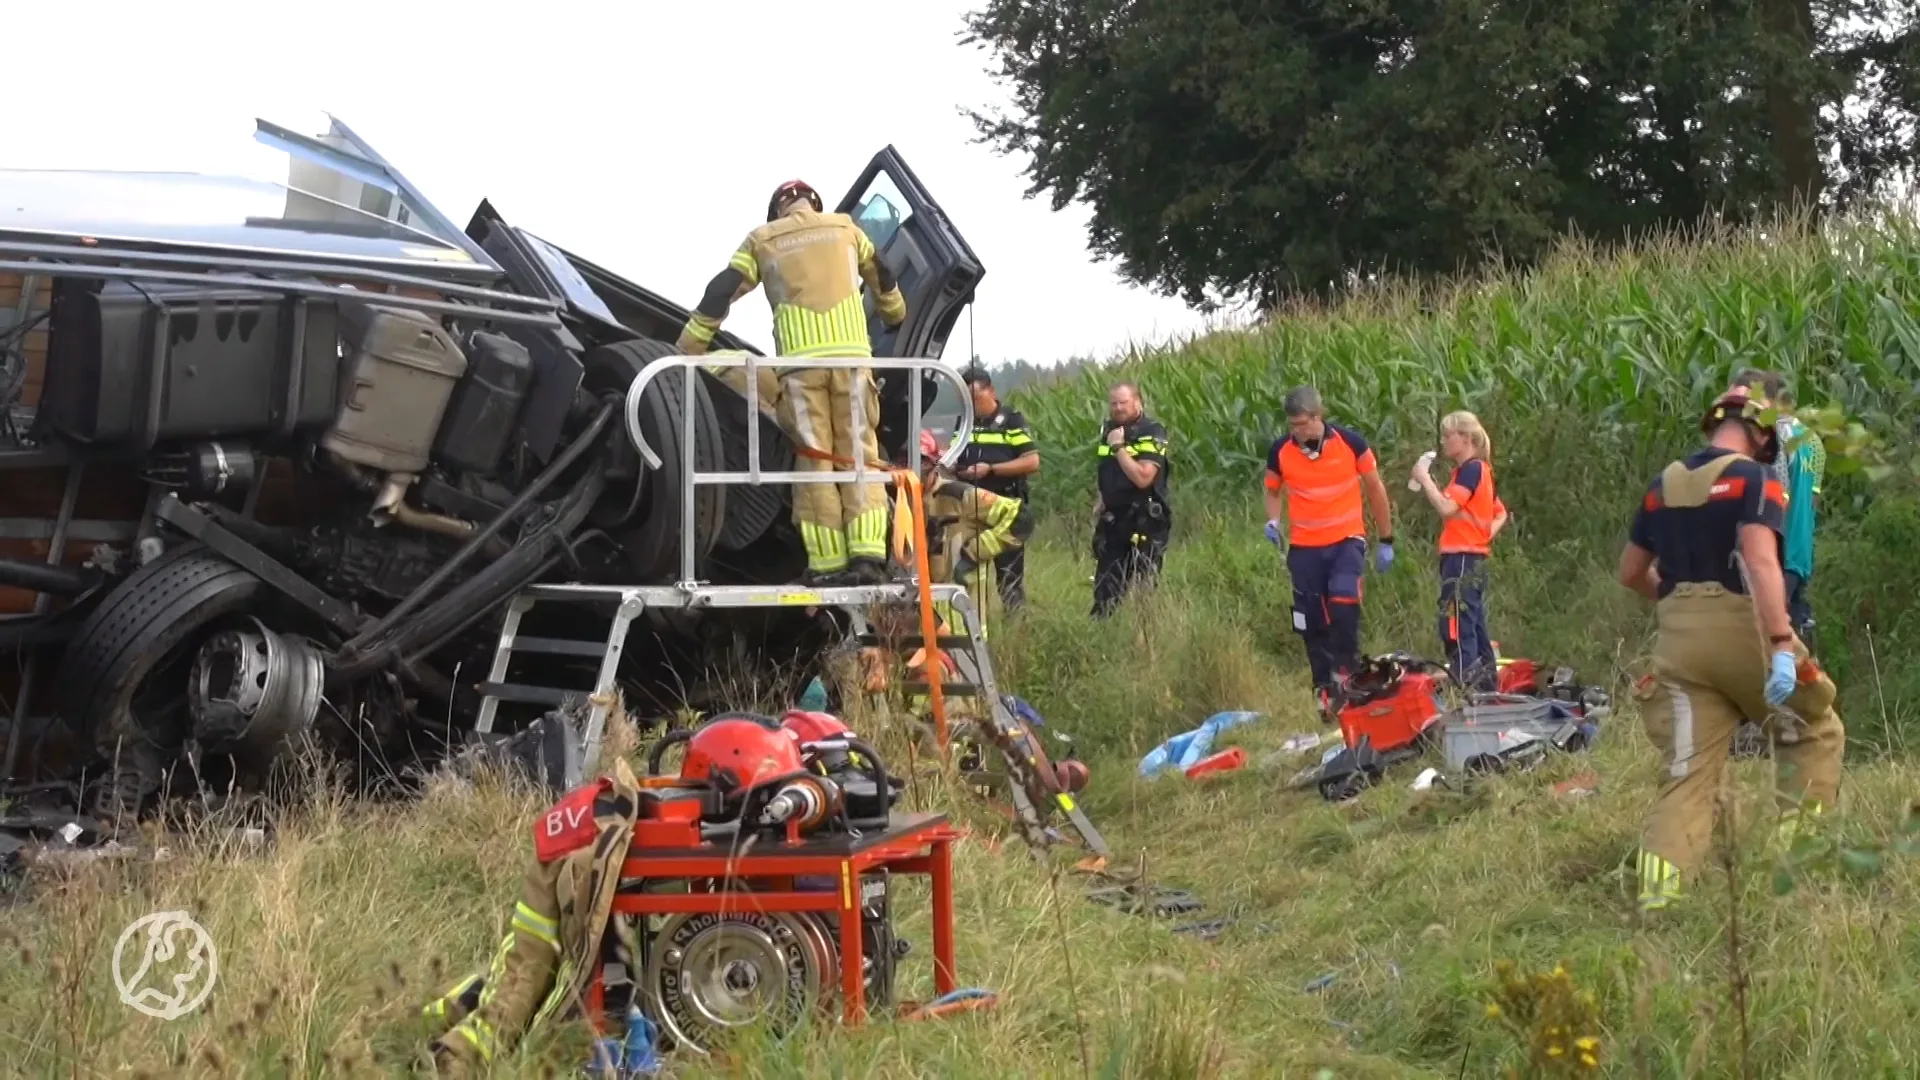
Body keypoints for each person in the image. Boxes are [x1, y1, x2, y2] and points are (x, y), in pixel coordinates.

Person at [1614, 384, 1845, 912]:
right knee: (1816, 730)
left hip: (1677, 640)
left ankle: (1658, 898)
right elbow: (1762, 563)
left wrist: (1678, 604)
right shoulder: (1754, 479)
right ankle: (1794, 870)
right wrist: (1782, 643)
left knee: (1687, 772)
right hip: (1743, 627)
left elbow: (1630, 572)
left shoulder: (1661, 486)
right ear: (1760, 430)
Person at [675, 179, 908, 585]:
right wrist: (894, 312)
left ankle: (827, 564)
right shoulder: (846, 228)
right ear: (814, 205)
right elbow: (883, 273)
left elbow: (723, 288)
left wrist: (689, 343)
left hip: (801, 368)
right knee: (859, 453)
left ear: (777, 211)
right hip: (854, 363)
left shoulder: (763, 239)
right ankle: (868, 558)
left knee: (815, 460)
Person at [1263, 386, 1395, 719]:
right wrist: (1274, 520)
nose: (1297, 431)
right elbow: (1272, 490)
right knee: (1310, 621)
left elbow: (1375, 490)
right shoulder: (1280, 451)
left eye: (1303, 424)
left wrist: (1386, 539)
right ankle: (1324, 690)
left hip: (1346, 540)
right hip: (1305, 547)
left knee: (1343, 600)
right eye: (1292, 425)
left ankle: (1346, 672)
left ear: (1318, 416)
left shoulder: (1351, 444)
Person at [1410, 411, 1510, 690]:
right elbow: (1499, 512)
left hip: (1463, 559)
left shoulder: (1471, 470)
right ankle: (1488, 688)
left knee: (1455, 625)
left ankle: (1468, 688)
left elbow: (1446, 507)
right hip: (1471, 556)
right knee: (1474, 624)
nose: (1443, 442)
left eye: (1447, 435)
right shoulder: (1479, 472)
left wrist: (1424, 478)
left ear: (1466, 438)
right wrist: (1482, 536)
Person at [1729, 368, 1825, 646]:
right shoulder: (1812, 441)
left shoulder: (1770, 438)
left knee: (1767, 645)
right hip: (1800, 554)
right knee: (1795, 639)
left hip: (1772, 557)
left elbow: (1771, 499)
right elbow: (1812, 501)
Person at [952, 367, 1041, 612]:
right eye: (965, 399)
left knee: (1009, 581)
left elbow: (1032, 461)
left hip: (1005, 509)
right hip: (971, 510)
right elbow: (952, 454)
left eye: (975, 397)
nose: (970, 404)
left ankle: (1017, 629)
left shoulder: (1011, 420)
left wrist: (991, 469)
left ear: (990, 391)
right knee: (966, 576)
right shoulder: (965, 421)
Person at [1090, 382, 1172, 618]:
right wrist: (1101, 500)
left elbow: (1143, 478)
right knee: (1105, 594)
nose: (1117, 408)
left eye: (1123, 403)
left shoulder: (1152, 431)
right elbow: (1107, 471)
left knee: (1144, 593)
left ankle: (1145, 641)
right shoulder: (1108, 430)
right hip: (1113, 521)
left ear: (1138, 402)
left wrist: (1119, 447)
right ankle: (1102, 640)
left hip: (1144, 519)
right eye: (1113, 403)